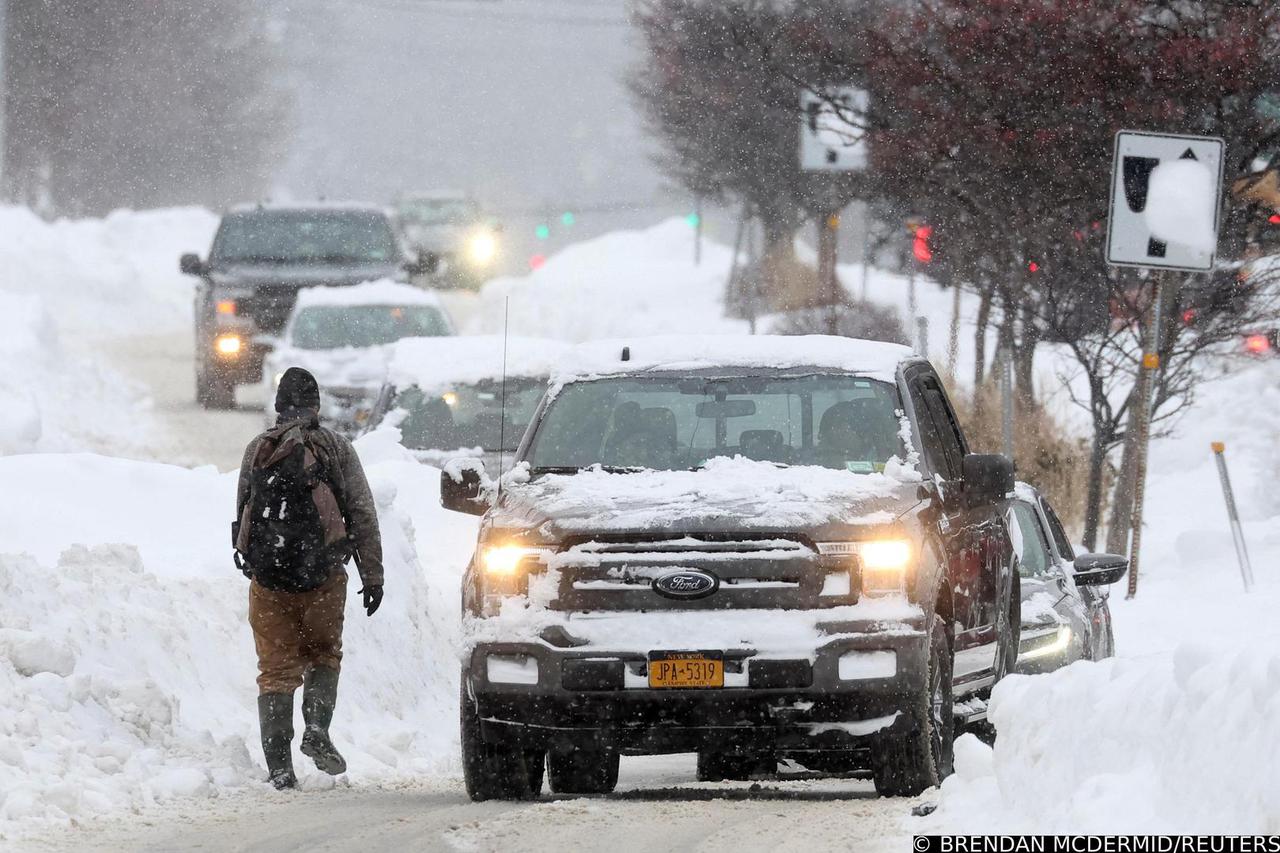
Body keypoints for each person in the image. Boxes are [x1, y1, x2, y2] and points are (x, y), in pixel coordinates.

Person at [234, 367, 384, 789]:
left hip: (269, 582)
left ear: (279, 406)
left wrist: (252, 560)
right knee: (322, 655)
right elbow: (362, 514)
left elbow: (243, 508)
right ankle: (317, 728)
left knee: (276, 671)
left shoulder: (257, 449)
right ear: (316, 406)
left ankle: (280, 769)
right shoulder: (334, 447)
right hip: (322, 579)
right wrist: (371, 576)